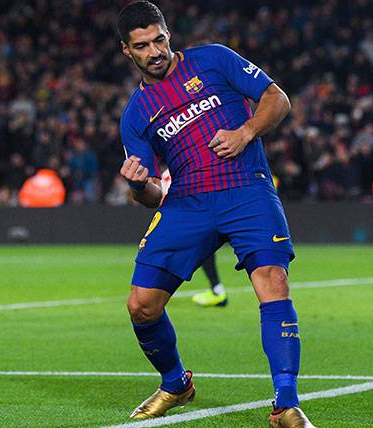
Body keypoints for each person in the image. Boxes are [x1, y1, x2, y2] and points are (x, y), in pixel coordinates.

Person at [116, 2, 312, 427]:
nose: (155, 51)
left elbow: (276, 99)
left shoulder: (214, 59)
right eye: (142, 46)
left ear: (168, 34)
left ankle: (286, 404)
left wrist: (246, 132)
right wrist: (137, 184)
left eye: (159, 40)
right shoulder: (136, 115)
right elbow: (150, 195)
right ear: (127, 51)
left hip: (246, 190)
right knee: (141, 306)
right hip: (187, 202)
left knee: (273, 283)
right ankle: (176, 384)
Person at [161, 169, 228, 307]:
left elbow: (164, 200)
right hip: (208, 214)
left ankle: (217, 290)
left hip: (190, 217)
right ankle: (217, 290)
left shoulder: (171, 174)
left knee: (171, 252)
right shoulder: (191, 168)